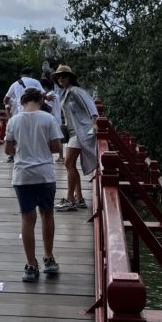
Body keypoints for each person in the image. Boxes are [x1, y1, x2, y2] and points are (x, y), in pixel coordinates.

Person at [4, 86, 63, 282]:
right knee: (47, 214)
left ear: (21, 102)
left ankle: (31, 265)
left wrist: (24, 148)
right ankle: (49, 258)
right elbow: (56, 147)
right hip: (45, 174)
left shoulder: (14, 120)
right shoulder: (49, 119)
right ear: (41, 101)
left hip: (23, 175)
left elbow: (8, 150)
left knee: (27, 219)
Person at [52, 64, 99, 212]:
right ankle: (79, 198)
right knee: (70, 165)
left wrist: (93, 127)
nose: (60, 78)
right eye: (58, 76)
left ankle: (70, 199)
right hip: (73, 133)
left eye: (64, 76)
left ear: (70, 77)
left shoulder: (76, 91)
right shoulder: (65, 93)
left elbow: (92, 108)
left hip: (81, 132)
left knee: (69, 164)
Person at [3, 67, 44, 162]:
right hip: (35, 112)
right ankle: (33, 154)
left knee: (17, 134)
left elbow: (5, 99)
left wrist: (8, 107)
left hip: (19, 114)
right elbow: (43, 94)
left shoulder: (15, 84)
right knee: (33, 133)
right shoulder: (35, 82)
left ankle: (14, 155)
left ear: (21, 74)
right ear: (31, 74)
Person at [40, 75, 64, 162]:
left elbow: (48, 109)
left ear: (45, 87)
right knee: (59, 138)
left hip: (52, 119)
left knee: (50, 139)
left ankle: (54, 156)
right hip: (57, 118)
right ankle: (61, 156)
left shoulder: (50, 96)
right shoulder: (56, 95)